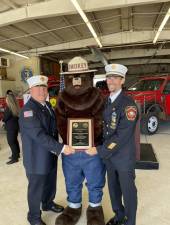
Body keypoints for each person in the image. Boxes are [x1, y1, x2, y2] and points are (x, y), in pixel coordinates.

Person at [55, 57, 106, 225]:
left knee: (95, 180)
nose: (76, 81)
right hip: (70, 149)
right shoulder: (62, 97)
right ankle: (74, 207)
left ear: (88, 77)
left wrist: (93, 141)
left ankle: (95, 208)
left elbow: (100, 120)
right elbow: (60, 121)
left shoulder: (97, 95)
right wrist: (69, 141)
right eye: (73, 77)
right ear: (67, 79)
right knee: (72, 180)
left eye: (81, 77)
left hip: (92, 149)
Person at [86, 64, 139, 225]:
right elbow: (104, 127)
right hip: (110, 158)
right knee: (114, 190)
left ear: (122, 80)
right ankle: (118, 215)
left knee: (128, 191)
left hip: (123, 158)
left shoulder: (128, 105)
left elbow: (122, 135)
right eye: (109, 77)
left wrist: (99, 150)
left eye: (115, 77)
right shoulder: (107, 100)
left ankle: (130, 221)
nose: (111, 81)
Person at [19, 75, 75, 225]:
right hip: (36, 159)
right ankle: (34, 217)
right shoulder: (28, 111)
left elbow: (54, 127)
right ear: (30, 90)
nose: (42, 91)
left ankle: (48, 203)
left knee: (50, 183)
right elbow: (39, 135)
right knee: (35, 189)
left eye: (44, 88)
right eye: (38, 88)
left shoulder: (47, 106)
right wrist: (61, 148)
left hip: (50, 156)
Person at [2, 92, 20, 164]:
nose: (5, 100)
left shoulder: (9, 108)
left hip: (11, 128)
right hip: (15, 126)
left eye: (6, 99)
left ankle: (15, 158)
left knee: (11, 142)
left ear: (9, 100)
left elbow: (5, 118)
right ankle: (16, 154)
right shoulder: (14, 107)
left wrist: (2, 120)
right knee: (15, 141)